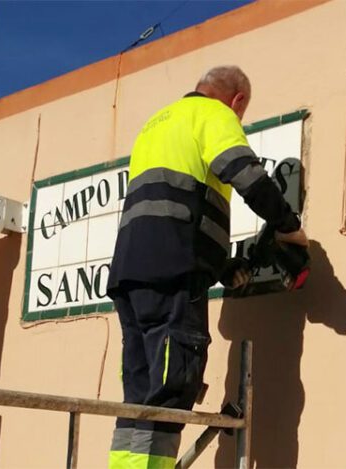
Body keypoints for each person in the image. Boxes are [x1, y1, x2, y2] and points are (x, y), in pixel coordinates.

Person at [106, 65, 308, 469]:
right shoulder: (213, 115)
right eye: (241, 114)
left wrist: (221, 267)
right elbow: (246, 175)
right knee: (171, 387)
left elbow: (178, 208)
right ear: (237, 101)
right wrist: (290, 229)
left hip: (131, 274)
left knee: (142, 393)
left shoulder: (157, 124)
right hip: (174, 276)